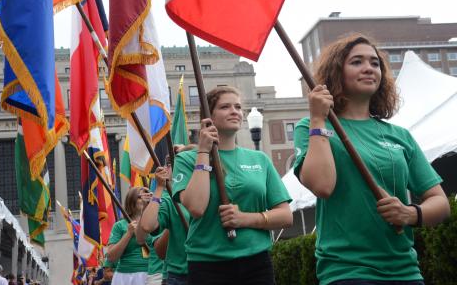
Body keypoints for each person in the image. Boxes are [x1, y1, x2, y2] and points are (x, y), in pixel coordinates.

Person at [293, 33, 451, 285]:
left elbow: (440, 203)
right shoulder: (309, 128)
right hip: (347, 272)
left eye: (374, 63)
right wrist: (317, 119)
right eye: (356, 62)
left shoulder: (400, 136)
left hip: (406, 272)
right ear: (336, 72)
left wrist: (410, 214)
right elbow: (322, 186)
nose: (368, 68)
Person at [171, 86, 293, 285]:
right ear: (208, 116)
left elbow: (285, 215)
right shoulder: (186, 160)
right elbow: (196, 207)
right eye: (225, 107)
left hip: (257, 263)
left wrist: (244, 219)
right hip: (207, 265)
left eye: (237, 107)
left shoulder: (260, 159)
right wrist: (203, 151)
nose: (234, 111)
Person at [139, 160, 191, 285]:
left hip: (211, 270)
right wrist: (173, 225)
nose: (166, 167)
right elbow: (160, 251)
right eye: (167, 163)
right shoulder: (166, 200)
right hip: (179, 275)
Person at [107, 187, 152, 285]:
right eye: (141, 197)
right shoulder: (119, 226)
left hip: (151, 273)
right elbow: (111, 257)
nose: (145, 199)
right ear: (131, 201)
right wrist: (128, 233)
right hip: (125, 276)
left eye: (148, 196)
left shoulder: (155, 222)